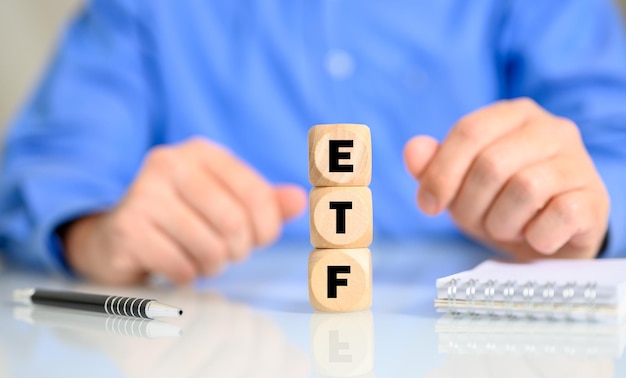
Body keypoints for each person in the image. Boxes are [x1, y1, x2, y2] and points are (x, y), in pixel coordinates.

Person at [1, 0, 626, 285]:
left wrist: (585, 210)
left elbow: (612, 140)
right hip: (204, 357)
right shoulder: (141, 9)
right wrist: (92, 231)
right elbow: (43, 170)